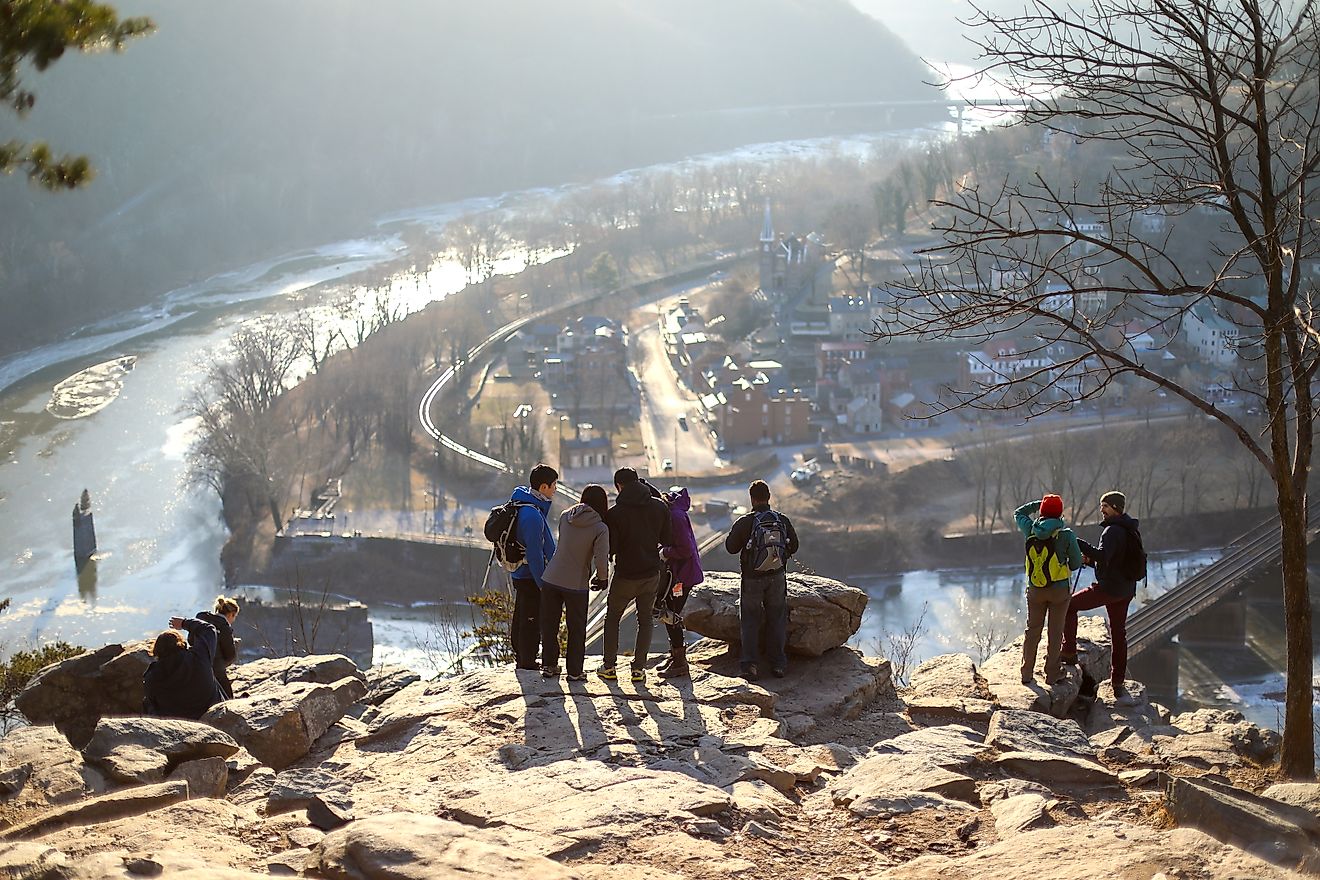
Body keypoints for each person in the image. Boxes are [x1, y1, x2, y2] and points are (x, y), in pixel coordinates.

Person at [1062, 490, 1142, 705]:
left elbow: (1104, 556)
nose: (1102, 511)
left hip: (1109, 589)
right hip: (1125, 590)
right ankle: (1118, 682)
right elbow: (1114, 560)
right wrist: (1092, 561)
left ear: (1115, 507)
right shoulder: (1130, 529)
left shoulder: (1111, 531)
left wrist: (1076, 542)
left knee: (1068, 606)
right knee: (1118, 633)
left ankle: (1068, 652)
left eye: (1105, 506)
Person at [600, 468, 672, 682]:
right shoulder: (659, 507)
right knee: (646, 620)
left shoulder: (615, 514)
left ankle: (609, 667)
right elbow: (667, 539)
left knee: (613, 617)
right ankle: (639, 669)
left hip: (625, 575)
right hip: (651, 573)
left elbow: (610, 548)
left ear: (618, 486)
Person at [724, 479, 799, 680]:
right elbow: (795, 545)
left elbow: (731, 547)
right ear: (769, 497)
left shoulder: (746, 522)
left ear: (752, 499)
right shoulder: (781, 520)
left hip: (752, 579)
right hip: (776, 576)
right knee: (777, 618)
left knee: (750, 620)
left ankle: (750, 666)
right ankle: (778, 664)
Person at [539, 484, 610, 681]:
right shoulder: (600, 528)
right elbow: (600, 558)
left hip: (551, 578)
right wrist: (602, 578)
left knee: (550, 624)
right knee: (576, 628)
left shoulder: (565, 516)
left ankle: (549, 665)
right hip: (576, 583)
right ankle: (575, 672)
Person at [1014, 494, 1083, 686]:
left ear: (1042, 511)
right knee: (1055, 631)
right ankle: (1052, 674)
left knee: (1033, 630)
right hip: (1059, 591)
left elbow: (1019, 512)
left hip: (1035, 589)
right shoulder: (1066, 534)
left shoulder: (1030, 529)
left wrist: (1039, 504)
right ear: (1060, 513)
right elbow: (1076, 563)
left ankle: (1026, 673)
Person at [509, 463, 559, 670]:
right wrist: (543, 583)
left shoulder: (524, 503)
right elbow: (535, 553)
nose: (556, 488)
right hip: (530, 575)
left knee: (522, 612)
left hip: (522, 572)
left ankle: (522, 655)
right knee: (530, 618)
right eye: (554, 484)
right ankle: (527, 660)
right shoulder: (532, 515)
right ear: (544, 487)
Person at [654, 486, 703, 679]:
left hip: (682, 575)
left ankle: (680, 662)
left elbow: (685, 549)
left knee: (671, 614)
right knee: (669, 612)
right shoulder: (674, 513)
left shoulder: (675, 517)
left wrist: (665, 552)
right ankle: (675, 655)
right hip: (679, 573)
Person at [142, 616, 224, 720]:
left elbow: (152, 702)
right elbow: (208, 629)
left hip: (176, 723)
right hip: (211, 715)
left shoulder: (152, 675)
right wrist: (184, 623)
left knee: (147, 701)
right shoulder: (199, 657)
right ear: (181, 643)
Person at [197, 595, 240, 700]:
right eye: (234, 617)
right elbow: (231, 656)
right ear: (230, 614)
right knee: (228, 698)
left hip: (196, 665)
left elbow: (190, 640)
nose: (233, 620)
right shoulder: (224, 628)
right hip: (216, 669)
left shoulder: (201, 618)